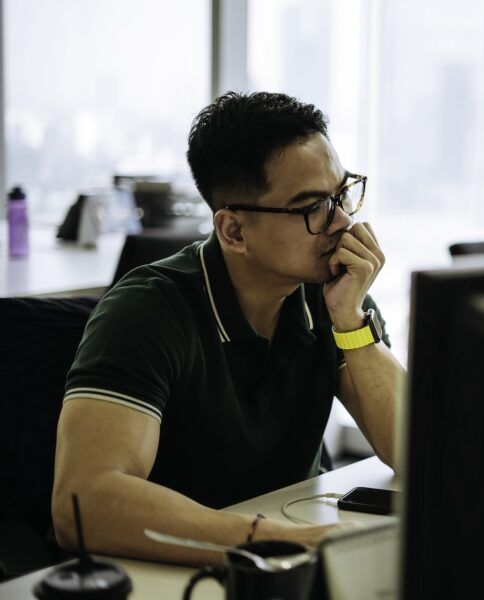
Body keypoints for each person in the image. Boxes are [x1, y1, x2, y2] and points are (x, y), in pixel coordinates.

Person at [51, 92, 405, 565]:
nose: (342, 222)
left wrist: (351, 321)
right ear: (234, 231)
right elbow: (83, 505)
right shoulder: (145, 311)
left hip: (278, 557)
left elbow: (414, 450)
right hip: (177, 570)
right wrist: (276, 541)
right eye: (311, 207)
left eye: (342, 194)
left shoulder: (334, 296)